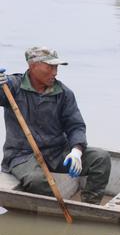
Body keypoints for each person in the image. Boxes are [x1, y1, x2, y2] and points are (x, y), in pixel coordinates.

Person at [0, 46, 111, 204]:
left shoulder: (64, 94)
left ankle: (89, 206)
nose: (55, 72)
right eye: (50, 67)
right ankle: (54, 211)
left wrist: (76, 151)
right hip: (22, 155)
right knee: (37, 180)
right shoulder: (11, 86)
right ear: (33, 66)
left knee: (101, 158)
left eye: (56, 67)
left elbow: (76, 126)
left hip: (56, 152)